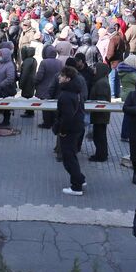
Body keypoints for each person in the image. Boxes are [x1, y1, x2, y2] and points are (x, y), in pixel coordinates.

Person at [54, 66, 86, 195]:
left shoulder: (66, 95)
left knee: (68, 158)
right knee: (72, 155)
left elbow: (66, 117)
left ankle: (76, 186)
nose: (59, 77)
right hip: (77, 127)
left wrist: (61, 130)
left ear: (67, 79)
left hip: (69, 130)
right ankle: (80, 179)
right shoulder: (75, 91)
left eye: (61, 76)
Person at [35, 45, 63, 129]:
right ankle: (54, 122)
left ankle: (47, 123)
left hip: (45, 87)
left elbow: (40, 75)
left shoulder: (44, 62)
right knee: (54, 105)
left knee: (46, 106)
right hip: (56, 87)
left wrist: (35, 82)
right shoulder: (59, 62)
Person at [88, 63, 111, 161]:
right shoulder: (100, 81)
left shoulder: (102, 83)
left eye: (96, 68)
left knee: (99, 136)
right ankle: (100, 154)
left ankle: (101, 155)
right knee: (99, 135)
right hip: (99, 115)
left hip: (100, 115)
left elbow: (101, 102)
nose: (94, 70)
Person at [0, 47, 16, 127]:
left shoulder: (10, 65)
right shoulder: (0, 63)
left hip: (4, 90)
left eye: (1, 54)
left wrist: (1, 84)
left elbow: (10, 78)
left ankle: (6, 121)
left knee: (6, 106)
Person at [118, 54, 136, 142]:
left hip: (126, 94)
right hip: (130, 96)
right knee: (129, 116)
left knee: (128, 115)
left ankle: (125, 134)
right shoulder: (130, 73)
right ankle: (125, 135)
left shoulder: (125, 70)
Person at [19, 46, 37, 118]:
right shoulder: (33, 60)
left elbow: (24, 74)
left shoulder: (27, 61)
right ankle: (30, 111)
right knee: (29, 96)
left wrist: (21, 84)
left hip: (27, 82)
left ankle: (29, 112)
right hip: (31, 81)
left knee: (27, 97)